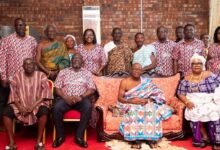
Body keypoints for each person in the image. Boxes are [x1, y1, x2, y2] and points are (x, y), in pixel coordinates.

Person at [118, 63, 172, 149]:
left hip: (146, 102)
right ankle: (135, 140)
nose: (137, 71)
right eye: (135, 69)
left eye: (139, 69)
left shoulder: (146, 82)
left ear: (142, 71)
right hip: (131, 102)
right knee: (133, 111)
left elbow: (157, 93)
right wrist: (131, 101)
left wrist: (147, 100)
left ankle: (150, 139)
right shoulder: (124, 82)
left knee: (152, 111)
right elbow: (120, 98)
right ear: (131, 70)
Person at [2, 58, 52, 150]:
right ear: (23, 66)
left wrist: (33, 106)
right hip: (20, 104)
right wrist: (20, 107)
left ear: (35, 65)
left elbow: (45, 94)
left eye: (31, 64)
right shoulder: (17, 76)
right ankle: (12, 142)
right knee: (6, 112)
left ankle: (38, 142)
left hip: (37, 103)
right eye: (26, 64)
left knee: (44, 111)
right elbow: (13, 93)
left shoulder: (41, 75)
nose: (29, 66)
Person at [52, 53, 95, 148]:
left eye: (79, 59)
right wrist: (65, 97)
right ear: (71, 61)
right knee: (56, 108)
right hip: (65, 98)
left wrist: (81, 97)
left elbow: (92, 89)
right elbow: (57, 88)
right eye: (74, 59)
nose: (76, 60)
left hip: (81, 98)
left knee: (88, 106)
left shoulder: (87, 73)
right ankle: (60, 136)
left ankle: (79, 137)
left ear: (82, 62)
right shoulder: (63, 72)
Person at [0, 18, 37, 122]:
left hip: (28, 78)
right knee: (7, 101)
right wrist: (3, 77)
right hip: (12, 78)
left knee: (26, 100)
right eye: (18, 25)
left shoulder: (32, 40)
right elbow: (2, 59)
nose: (21, 27)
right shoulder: (6, 40)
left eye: (22, 25)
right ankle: (5, 123)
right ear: (15, 27)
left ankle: (25, 122)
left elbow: (34, 59)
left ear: (26, 26)